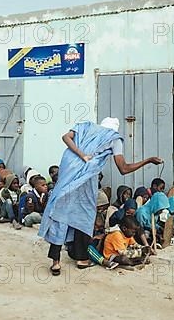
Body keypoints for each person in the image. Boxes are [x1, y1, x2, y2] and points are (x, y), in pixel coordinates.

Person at [39, 117, 163, 275]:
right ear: (115, 129)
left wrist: (81, 154)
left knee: (61, 213)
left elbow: (65, 137)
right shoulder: (114, 138)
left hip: (68, 173)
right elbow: (123, 168)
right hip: (86, 178)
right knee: (84, 215)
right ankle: (81, 258)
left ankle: (56, 262)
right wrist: (148, 161)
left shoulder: (85, 127)